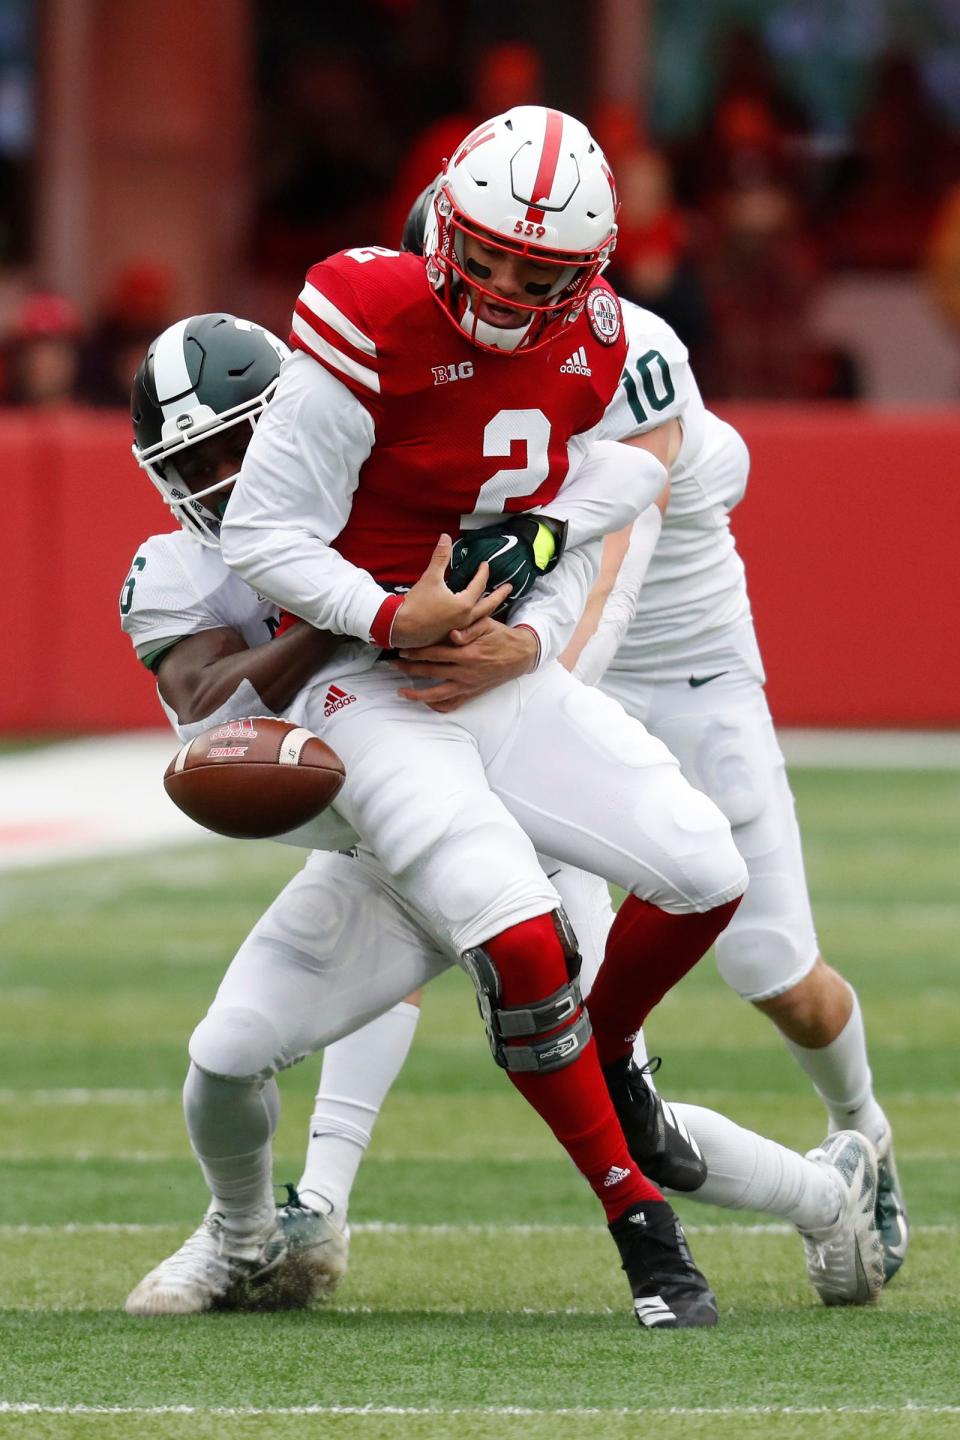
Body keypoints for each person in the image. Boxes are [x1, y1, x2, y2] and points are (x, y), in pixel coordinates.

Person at [118, 310, 882, 1321]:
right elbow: (208, 697)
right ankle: (250, 1238)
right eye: (197, 459)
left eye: (241, 443)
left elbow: (577, 523)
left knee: (614, 1096)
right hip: (376, 859)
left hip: (521, 816)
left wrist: (529, 634)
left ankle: (828, 1199)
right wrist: (345, 605)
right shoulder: (174, 568)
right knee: (223, 1057)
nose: (222, 476)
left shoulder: (396, 480)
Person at [395, 180, 907, 1284]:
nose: (478, 304)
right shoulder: (427, 358)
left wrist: (533, 676)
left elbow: (621, 551)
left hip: (678, 674)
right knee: (455, 938)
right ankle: (313, 1201)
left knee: (775, 964)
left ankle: (863, 1137)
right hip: (555, 686)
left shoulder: (627, 351)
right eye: (462, 272)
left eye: (512, 276)